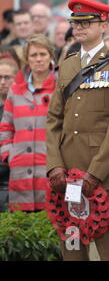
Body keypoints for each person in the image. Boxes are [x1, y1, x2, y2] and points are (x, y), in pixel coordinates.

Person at [46, 0, 109, 261]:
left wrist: (95, 173)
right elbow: (54, 119)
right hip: (67, 174)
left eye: (87, 22)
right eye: (76, 22)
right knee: (73, 250)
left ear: (104, 25)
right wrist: (55, 166)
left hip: (105, 174)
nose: (80, 27)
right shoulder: (69, 64)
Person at [0, 34, 58, 212]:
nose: (38, 59)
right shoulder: (15, 90)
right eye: (33, 55)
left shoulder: (60, 88)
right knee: (21, 230)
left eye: (43, 54)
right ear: (27, 59)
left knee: (49, 227)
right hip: (20, 172)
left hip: (50, 170)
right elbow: (5, 128)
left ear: (51, 57)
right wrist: (10, 155)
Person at [0, 57, 19, 212]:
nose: (3, 82)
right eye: (0, 77)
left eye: (7, 77)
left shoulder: (23, 108)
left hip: (13, 179)